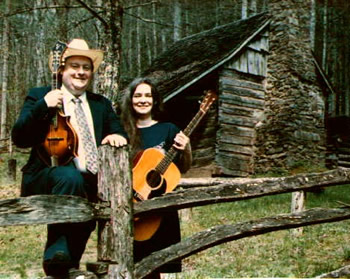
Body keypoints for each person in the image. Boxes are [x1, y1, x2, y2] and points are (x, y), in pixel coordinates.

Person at [11, 38, 127, 277]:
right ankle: (57, 258)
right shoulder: (39, 95)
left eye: (86, 68)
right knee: (70, 176)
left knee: (88, 198)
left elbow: (119, 132)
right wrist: (44, 106)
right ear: (61, 69)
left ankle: (64, 268)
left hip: (88, 181)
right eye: (74, 66)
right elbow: (20, 138)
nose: (80, 72)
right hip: (45, 177)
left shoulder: (101, 104)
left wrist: (115, 136)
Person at [120, 77, 192, 278]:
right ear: (130, 100)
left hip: (159, 208)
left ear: (154, 100)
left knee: (155, 268)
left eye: (147, 96)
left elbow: (182, 168)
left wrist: (185, 149)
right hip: (129, 203)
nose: (143, 100)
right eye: (138, 95)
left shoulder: (168, 129)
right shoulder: (122, 130)